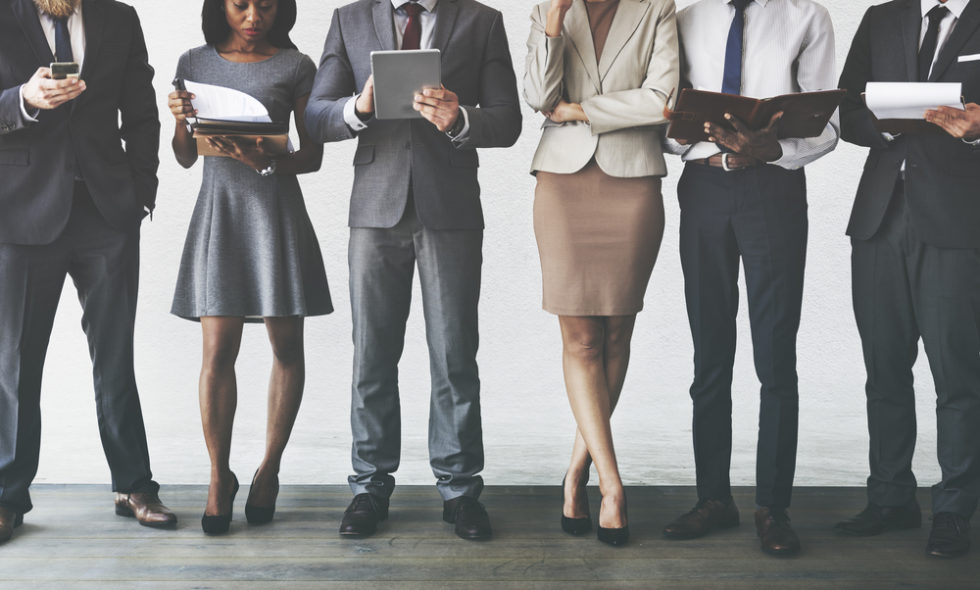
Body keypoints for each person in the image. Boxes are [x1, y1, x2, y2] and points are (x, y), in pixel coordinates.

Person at [305, 0, 521, 541]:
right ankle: (370, 487)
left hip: (449, 207)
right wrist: (359, 107)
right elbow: (315, 115)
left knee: (454, 354)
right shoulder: (348, 20)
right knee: (372, 354)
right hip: (374, 209)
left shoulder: (482, 21)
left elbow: (509, 119)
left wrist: (461, 117)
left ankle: (460, 490)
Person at [661, 0, 838, 556]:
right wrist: (703, 142)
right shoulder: (685, 18)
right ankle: (713, 498)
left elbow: (827, 126)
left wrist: (771, 149)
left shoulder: (808, 16)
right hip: (705, 191)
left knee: (775, 355)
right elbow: (667, 121)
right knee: (709, 352)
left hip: (773, 191)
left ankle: (772, 508)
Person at [0, 0, 175, 544]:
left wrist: (142, 193)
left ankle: (134, 484)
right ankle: (7, 495)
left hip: (107, 212)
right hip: (20, 214)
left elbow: (142, 112)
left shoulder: (119, 18)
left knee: (116, 353)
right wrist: (22, 100)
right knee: (16, 363)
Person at [168, 0, 332, 535]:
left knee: (286, 348)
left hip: (275, 214)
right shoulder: (194, 61)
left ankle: (270, 469)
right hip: (221, 213)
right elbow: (186, 156)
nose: (253, 13)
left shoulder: (296, 64)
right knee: (218, 351)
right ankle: (219, 477)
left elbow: (312, 156)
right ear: (221, 6)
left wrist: (264, 156)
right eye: (241, 3)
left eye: (265, 3)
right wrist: (179, 122)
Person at [524, 0, 678, 547]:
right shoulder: (549, 9)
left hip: (632, 181)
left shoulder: (658, 7)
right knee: (581, 338)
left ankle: (575, 472)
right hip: (563, 184)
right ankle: (612, 486)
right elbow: (538, 98)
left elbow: (662, 101)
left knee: (616, 333)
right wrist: (553, 22)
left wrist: (579, 110)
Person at [834, 0, 980, 559]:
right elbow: (846, 110)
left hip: (956, 222)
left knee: (958, 374)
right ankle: (891, 497)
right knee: (884, 368)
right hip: (879, 219)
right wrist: (884, 124)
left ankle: (955, 508)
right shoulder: (883, 17)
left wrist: (973, 132)